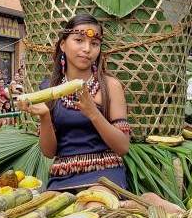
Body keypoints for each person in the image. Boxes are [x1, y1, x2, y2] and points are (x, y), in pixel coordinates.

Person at [17, 14, 131, 191]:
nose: (87, 49)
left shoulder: (110, 86)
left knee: (91, 210)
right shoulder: (48, 88)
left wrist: (93, 113)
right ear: (63, 44)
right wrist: (45, 117)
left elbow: (123, 147)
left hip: (105, 176)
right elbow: (49, 152)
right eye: (79, 40)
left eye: (94, 44)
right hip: (61, 178)